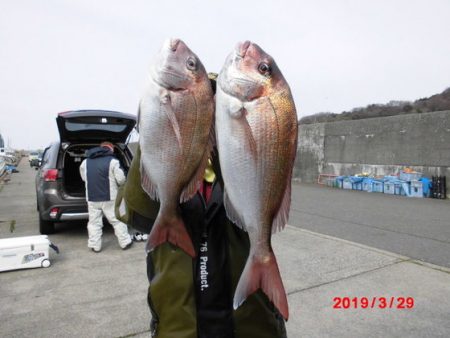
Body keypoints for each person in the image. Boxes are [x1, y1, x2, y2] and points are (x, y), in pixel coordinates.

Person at [80, 141, 132, 252]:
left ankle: (95, 246)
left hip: (92, 197)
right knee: (117, 220)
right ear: (111, 149)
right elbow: (121, 179)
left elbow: (84, 178)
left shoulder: (85, 162)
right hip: (110, 198)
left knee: (94, 223)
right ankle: (125, 242)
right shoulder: (113, 161)